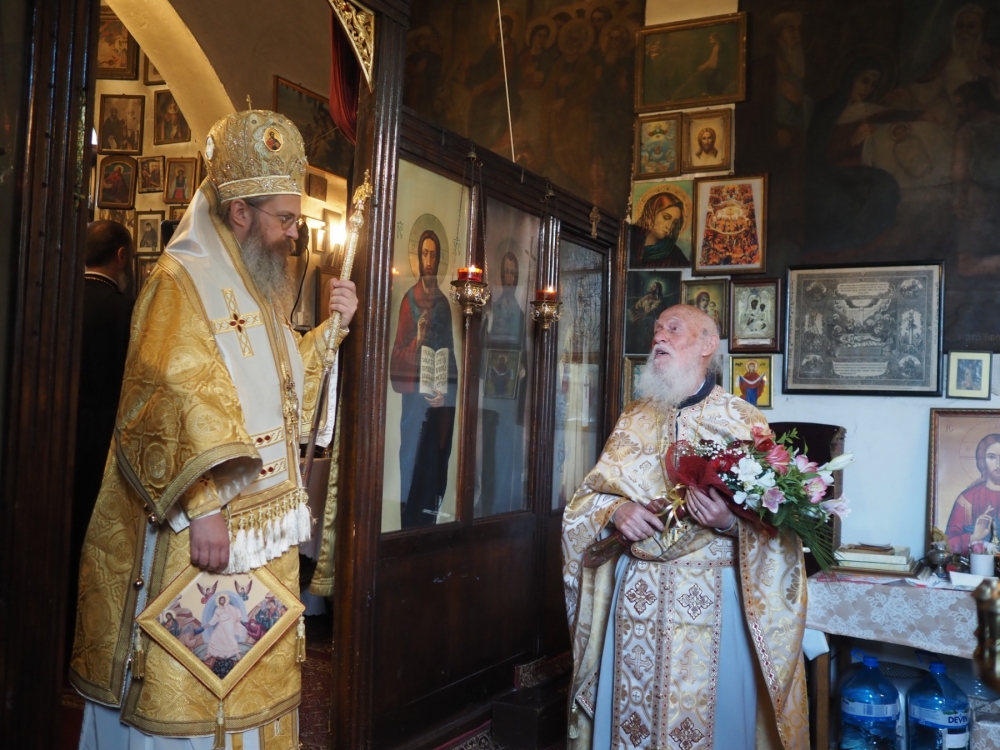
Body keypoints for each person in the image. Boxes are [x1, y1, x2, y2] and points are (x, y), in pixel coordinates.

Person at [70, 109, 358, 748]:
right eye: (284, 219)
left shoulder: (260, 290)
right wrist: (202, 506)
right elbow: (165, 395)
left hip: (260, 534)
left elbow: (282, 392)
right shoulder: (181, 282)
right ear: (239, 214)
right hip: (200, 528)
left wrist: (329, 333)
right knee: (192, 684)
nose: (293, 235)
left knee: (251, 677)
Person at [562, 304, 807, 748]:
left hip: (714, 599)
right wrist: (616, 512)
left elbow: (780, 529)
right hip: (638, 597)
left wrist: (731, 523)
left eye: (673, 330)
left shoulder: (743, 420)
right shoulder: (633, 418)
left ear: (706, 346)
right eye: (656, 330)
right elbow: (588, 498)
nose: (659, 339)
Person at [68, 220, 135, 668]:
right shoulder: (120, 309)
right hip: (103, 438)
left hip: (58, 436)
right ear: (122, 258)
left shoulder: (62, 300)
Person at [389, 229, 458, 528]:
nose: (429, 261)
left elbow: (450, 358)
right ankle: (408, 532)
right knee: (413, 469)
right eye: (425, 254)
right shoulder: (409, 302)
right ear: (418, 258)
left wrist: (447, 396)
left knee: (432, 472)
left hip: (437, 408)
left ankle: (427, 531)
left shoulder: (443, 303)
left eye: (434, 255)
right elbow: (396, 359)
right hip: (414, 409)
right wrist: (417, 339)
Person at [946, 434, 1000, 553]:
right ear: (983, 461)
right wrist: (974, 537)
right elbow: (947, 543)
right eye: (991, 457)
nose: (998, 464)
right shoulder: (967, 499)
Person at [634, 191, 687, 266]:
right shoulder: (631, 242)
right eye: (666, 217)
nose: (669, 226)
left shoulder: (675, 256)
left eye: (674, 222)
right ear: (651, 213)